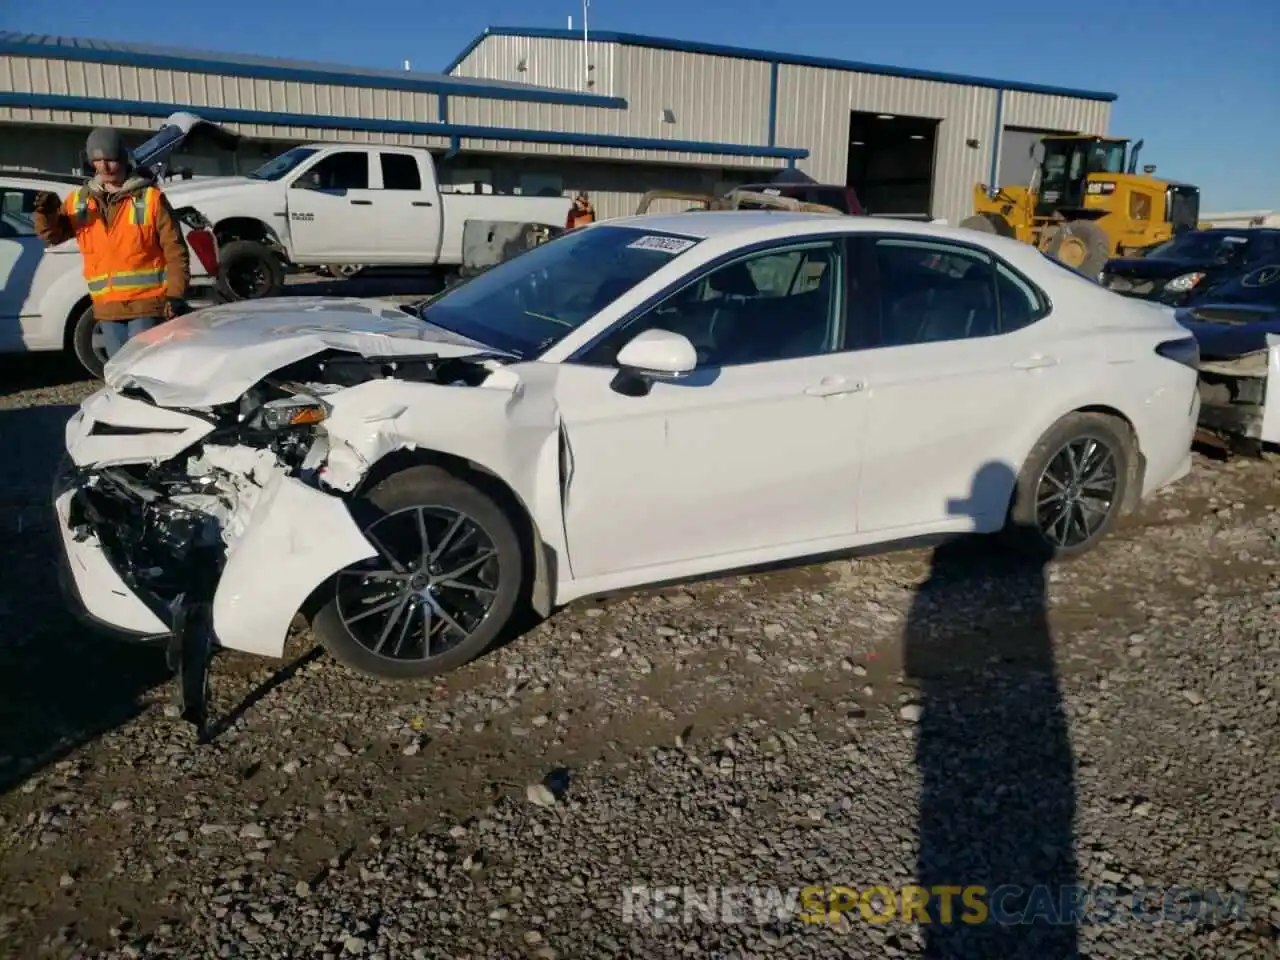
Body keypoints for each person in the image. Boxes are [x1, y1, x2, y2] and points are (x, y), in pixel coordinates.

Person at [33, 126, 190, 359]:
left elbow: (175, 249)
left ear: (123, 159)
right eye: (98, 160)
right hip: (107, 309)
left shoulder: (150, 198)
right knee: (119, 374)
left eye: (110, 160)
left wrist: (176, 294)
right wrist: (45, 213)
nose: (104, 167)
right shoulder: (80, 201)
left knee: (143, 369)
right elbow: (52, 235)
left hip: (147, 305)